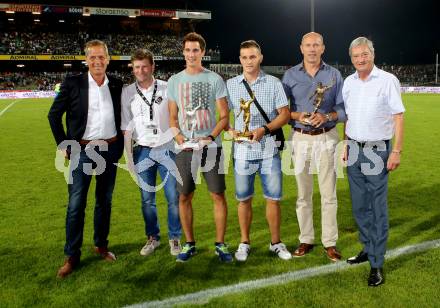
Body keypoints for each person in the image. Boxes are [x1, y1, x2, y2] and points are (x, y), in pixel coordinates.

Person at [48, 40, 124, 278]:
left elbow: (124, 118)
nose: (97, 61)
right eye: (93, 57)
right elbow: (53, 115)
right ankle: (72, 255)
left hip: (110, 150)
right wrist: (64, 144)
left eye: (101, 57)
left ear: (108, 59)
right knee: (76, 204)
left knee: (105, 201)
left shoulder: (117, 85)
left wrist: (120, 147)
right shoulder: (73, 83)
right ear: (86, 60)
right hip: (81, 151)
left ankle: (101, 245)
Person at [342, 37, 404, 286]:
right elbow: (348, 116)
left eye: (364, 54)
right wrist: (346, 144)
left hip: (377, 149)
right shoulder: (349, 82)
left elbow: (398, 117)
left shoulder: (388, 80)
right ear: (352, 58)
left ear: (372, 54)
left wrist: (396, 151)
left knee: (377, 208)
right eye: (356, 56)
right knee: (359, 206)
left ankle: (377, 264)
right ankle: (368, 248)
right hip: (354, 149)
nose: (360, 59)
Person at [167, 32, 232, 262]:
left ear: (203, 52)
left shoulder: (214, 79)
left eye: (196, 50)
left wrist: (210, 137)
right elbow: (172, 119)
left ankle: (220, 244)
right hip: (184, 149)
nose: (191, 54)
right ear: (183, 52)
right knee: (184, 197)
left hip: (211, 147)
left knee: (218, 195)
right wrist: (179, 139)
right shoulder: (175, 81)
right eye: (188, 50)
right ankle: (189, 243)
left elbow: (224, 116)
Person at [282, 32, 346, 261]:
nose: (311, 49)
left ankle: (330, 242)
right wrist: (298, 115)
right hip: (299, 137)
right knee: (303, 194)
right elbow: (281, 111)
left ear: (323, 48)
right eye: (308, 45)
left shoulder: (334, 74)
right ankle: (306, 239)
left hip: (326, 136)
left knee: (329, 193)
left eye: (316, 45)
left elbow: (343, 109)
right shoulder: (289, 76)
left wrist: (327, 116)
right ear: (301, 48)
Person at [226, 40, 292, 261]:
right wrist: (231, 130)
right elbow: (224, 116)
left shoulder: (273, 83)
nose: (248, 61)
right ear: (240, 59)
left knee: (273, 199)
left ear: (260, 58)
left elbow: (284, 114)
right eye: (244, 57)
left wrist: (264, 129)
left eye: (252, 57)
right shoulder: (231, 84)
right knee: (243, 199)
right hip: (242, 152)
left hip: (268, 151)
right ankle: (244, 243)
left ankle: (276, 242)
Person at [121, 49, 182, 257]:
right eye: (137, 67)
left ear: (153, 66)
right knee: (147, 199)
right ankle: (153, 238)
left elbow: (178, 119)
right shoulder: (127, 92)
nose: (141, 70)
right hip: (142, 151)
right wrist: (128, 157)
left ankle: (175, 237)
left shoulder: (167, 88)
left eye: (144, 66)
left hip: (167, 150)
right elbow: (126, 128)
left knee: (173, 197)